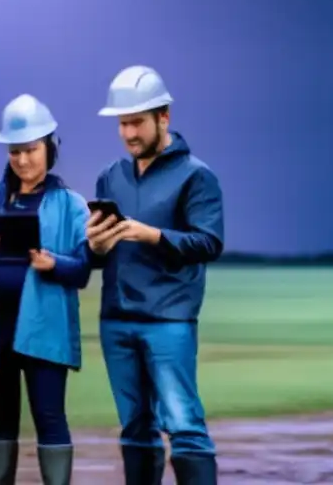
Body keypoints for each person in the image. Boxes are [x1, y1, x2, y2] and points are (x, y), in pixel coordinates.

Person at [84, 66, 225, 485]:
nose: (128, 133)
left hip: (169, 320)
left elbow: (208, 243)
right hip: (117, 319)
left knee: (184, 427)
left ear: (163, 117)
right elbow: (96, 255)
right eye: (122, 123)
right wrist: (94, 248)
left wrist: (154, 235)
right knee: (135, 428)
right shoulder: (111, 176)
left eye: (136, 122)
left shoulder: (197, 176)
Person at [0, 94, 92, 485]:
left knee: (49, 417)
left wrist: (55, 264)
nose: (22, 160)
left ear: (50, 148)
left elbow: (84, 269)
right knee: (0, 420)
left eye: (31, 150)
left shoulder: (71, 205)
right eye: (15, 152)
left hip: (45, 331)